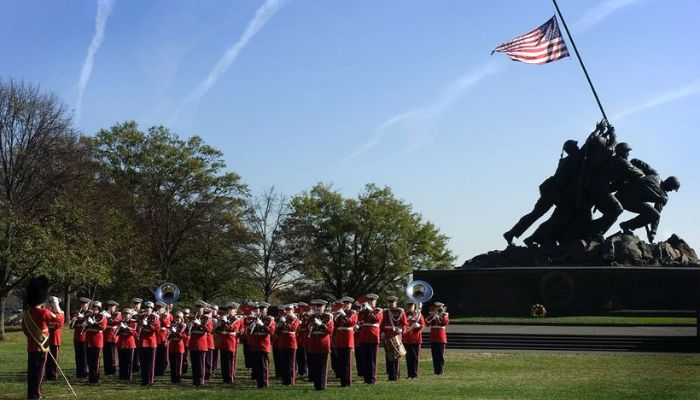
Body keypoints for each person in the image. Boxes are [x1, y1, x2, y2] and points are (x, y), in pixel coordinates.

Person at [504, 139, 581, 245]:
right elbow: (584, 150)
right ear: (571, 149)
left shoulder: (567, 160)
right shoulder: (572, 160)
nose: (578, 148)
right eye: (575, 146)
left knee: (536, 214)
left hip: (550, 188)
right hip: (554, 191)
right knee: (568, 209)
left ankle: (511, 233)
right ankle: (543, 235)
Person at [618, 172, 680, 242]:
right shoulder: (663, 196)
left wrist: (653, 231)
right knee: (654, 215)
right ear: (669, 184)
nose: (671, 190)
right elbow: (656, 215)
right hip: (628, 200)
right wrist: (653, 232)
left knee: (653, 214)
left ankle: (626, 225)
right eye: (672, 188)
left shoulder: (655, 176)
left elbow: (636, 162)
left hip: (622, 194)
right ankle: (627, 225)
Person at [22, 277, 54, 400]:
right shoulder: (44, 312)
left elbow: (25, 330)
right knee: (39, 371)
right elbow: (59, 321)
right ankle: (36, 394)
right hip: (41, 346)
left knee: (32, 372)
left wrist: (33, 337)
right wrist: (58, 308)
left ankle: (32, 393)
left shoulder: (27, 313)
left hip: (31, 345)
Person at [306, 299, 334, 390]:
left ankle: (322, 385)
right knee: (315, 365)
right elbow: (307, 329)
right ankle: (316, 384)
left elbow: (330, 330)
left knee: (322, 365)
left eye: (320, 306)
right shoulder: (312, 317)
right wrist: (310, 326)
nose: (317, 308)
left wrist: (321, 324)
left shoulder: (328, 316)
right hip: (314, 342)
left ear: (324, 307)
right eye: (316, 306)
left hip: (323, 343)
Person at [357, 293, 383, 384]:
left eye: (372, 301)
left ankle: (372, 378)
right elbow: (359, 318)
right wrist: (362, 310)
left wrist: (370, 310)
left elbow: (376, 319)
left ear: (375, 302)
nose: (370, 302)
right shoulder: (365, 310)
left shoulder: (378, 310)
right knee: (365, 358)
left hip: (373, 336)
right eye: (369, 300)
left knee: (372, 359)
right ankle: (366, 378)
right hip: (364, 336)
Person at [380, 296, 408, 381]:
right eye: (390, 302)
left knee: (396, 356)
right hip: (387, 335)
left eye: (393, 302)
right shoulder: (385, 312)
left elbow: (405, 324)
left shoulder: (400, 311)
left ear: (396, 303)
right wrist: (382, 331)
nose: (391, 303)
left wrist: (401, 329)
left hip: (396, 335)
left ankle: (396, 375)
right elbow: (382, 323)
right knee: (389, 355)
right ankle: (391, 375)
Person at [249, 302, 275, 388]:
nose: (261, 310)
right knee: (256, 365)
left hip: (263, 344)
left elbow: (271, 332)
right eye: (260, 309)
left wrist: (262, 325)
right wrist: (251, 326)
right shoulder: (256, 318)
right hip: (255, 344)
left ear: (266, 310)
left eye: (263, 309)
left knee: (263, 365)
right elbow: (250, 332)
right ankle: (259, 382)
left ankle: (264, 383)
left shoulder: (269, 319)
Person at [334, 296, 357, 387]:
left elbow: (351, 323)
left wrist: (343, 315)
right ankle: (342, 380)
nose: (346, 305)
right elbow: (335, 325)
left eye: (347, 304)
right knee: (340, 361)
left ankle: (347, 381)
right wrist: (335, 315)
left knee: (347, 362)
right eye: (344, 303)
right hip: (340, 339)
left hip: (347, 339)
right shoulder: (340, 313)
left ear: (351, 305)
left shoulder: (353, 312)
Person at [189, 300, 213, 387]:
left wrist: (200, 325)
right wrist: (189, 325)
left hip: (201, 343)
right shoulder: (193, 317)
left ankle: (200, 381)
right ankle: (195, 381)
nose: (198, 309)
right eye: (197, 307)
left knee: (200, 364)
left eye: (200, 307)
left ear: (203, 308)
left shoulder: (207, 318)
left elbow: (209, 330)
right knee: (194, 364)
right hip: (193, 343)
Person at [218, 302, 243, 384]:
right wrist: (220, 323)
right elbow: (219, 330)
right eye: (228, 309)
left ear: (235, 310)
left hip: (231, 341)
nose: (229, 310)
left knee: (230, 361)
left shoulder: (237, 319)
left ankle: (229, 378)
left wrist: (225, 322)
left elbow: (233, 328)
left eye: (231, 309)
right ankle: (224, 378)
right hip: (223, 341)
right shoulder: (224, 318)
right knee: (223, 361)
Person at [276, 304, 300, 386]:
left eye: (289, 310)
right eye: (287, 310)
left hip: (291, 342)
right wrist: (279, 325)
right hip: (283, 342)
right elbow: (277, 331)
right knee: (284, 363)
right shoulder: (284, 318)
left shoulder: (295, 319)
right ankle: (285, 380)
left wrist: (284, 323)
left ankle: (291, 380)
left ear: (293, 310)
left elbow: (293, 328)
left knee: (290, 363)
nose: (288, 311)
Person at [85, 301, 108, 383]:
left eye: (95, 307)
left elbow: (102, 327)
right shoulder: (90, 315)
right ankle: (90, 377)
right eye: (93, 307)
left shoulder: (102, 316)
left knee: (95, 361)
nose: (94, 309)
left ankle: (95, 378)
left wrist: (93, 323)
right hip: (89, 340)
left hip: (97, 341)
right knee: (89, 360)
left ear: (99, 308)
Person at [138, 301, 160, 386]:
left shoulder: (155, 317)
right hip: (142, 342)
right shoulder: (141, 316)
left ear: (152, 309)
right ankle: (144, 380)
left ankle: (150, 380)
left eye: (149, 308)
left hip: (151, 342)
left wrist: (147, 324)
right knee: (143, 363)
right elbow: (137, 327)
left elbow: (157, 330)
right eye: (146, 308)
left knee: (150, 363)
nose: (147, 309)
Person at [403, 300, 426, 379]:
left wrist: (418, 326)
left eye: (411, 305)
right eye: (408, 306)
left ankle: (414, 374)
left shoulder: (418, 315)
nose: (409, 307)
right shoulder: (405, 314)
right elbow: (403, 324)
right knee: (408, 358)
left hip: (416, 339)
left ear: (414, 306)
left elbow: (423, 325)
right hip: (407, 339)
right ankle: (409, 374)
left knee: (415, 357)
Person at [69, 297, 91, 378]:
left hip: (85, 337)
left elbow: (89, 323)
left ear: (88, 305)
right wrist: (73, 320)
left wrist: (81, 317)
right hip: (77, 337)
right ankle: (79, 372)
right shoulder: (77, 313)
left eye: (84, 304)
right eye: (81, 304)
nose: (82, 306)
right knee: (78, 355)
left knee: (84, 356)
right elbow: (71, 326)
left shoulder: (89, 313)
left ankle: (85, 372)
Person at [45, 296, 64, 381]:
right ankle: (48, 374)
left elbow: (58, 324)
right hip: (47, 338)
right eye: (50, 303)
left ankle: (54, 374)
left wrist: (50, 324)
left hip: (55, 339)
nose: (51, 305)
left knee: (54, 358)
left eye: (53, 304)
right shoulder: (49, 313)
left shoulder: (60, 313)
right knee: (47, 357)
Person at [427, 302, 449, 375]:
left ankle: (440, 370)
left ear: (443, 307)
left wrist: (438, 318)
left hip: (441, 337)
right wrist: (432, 316)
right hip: (433, 337)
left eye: (440, 307)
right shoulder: (432, 314)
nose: (439, 309)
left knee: (440, 355)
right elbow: (426, 323)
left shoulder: (445, 315)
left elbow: (444, 323)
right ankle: (436, 370)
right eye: (437, 307)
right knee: (434, 355)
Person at [116, 308, 137, 380]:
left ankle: (128, 376)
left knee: (129, 361)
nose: (125, 315)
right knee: (121, 361)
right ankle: (122, 375)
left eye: (127, 314)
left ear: (130, 315)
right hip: (121, 343)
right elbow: (117, 333)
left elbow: (134, 333)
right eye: (123, 314)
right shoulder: (120, 322)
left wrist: (127, 328)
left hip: (129, 343)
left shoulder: (133, 322)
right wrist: (119, 328)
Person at [167, 311, 188, 383]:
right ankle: (173, 379)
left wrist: (176, 332)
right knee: (172, 363)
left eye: (178, 318)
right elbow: (169, 337)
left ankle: (178, 379)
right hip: (172, 346)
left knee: (178, 364)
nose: (177, 319)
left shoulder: (183, 325)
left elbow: (183, 336)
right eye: (176, 317)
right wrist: (169, 333)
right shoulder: (173, 325)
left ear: (181, 318)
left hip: (179, 346)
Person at [103, 300, 120, 376]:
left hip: (113, 336)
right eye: (109, 306)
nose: (110, 308)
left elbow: (113, 321)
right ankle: (107, 370)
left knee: (113, 355)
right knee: (106, 354)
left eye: (112, 306)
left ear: (115, 307)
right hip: (105, 336)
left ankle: (112, 370)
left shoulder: (117, 314)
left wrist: (107, 317)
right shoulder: (105, 314)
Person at [154, 301, 171, 376]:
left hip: (163, 337)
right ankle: (156, 370)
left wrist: (161, 318)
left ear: (163, 308)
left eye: (160, 308)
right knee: (156, 355)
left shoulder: (167, 315)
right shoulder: (155, 315)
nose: (158, 309)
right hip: (155, 337)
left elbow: (167, 325)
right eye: (157, 307)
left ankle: (161, 370)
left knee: (162, 355)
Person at [295, 302, 310, 378]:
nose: (300, 309)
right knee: (299, 355)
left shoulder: (306, 316)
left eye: (301, 308)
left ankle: (305, 370)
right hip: (298, 337)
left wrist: (301, 323)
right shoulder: (297, 316)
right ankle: (300, 371)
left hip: (304, 336)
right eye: (299, 308)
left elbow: (308, 325)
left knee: (304, 355)